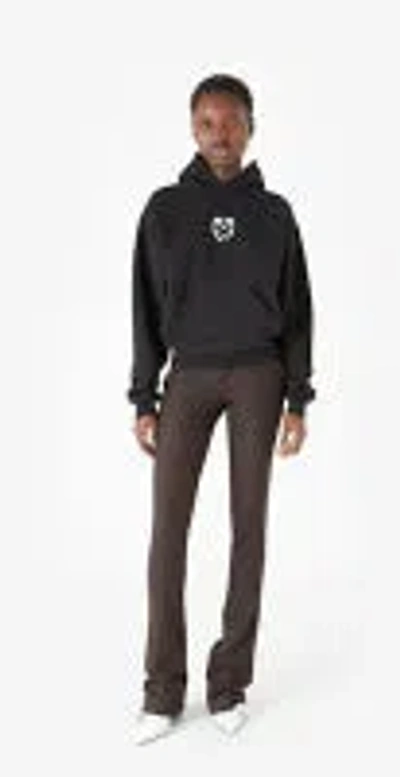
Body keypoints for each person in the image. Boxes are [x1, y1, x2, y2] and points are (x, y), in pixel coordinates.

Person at [126, 73, 316, 744]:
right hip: (190, 375)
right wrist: (144, 394)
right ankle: (162, 690)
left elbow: (298, 309)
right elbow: (144, 306)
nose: (220, 134)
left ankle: (229, 682)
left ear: (251, 127)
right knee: (167, 531)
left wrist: (298, 397)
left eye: (232, 121)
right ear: (192, 128)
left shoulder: (275, 214)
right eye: (207, 122)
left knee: (248, 526)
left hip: (259, 374)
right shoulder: (165, 210)